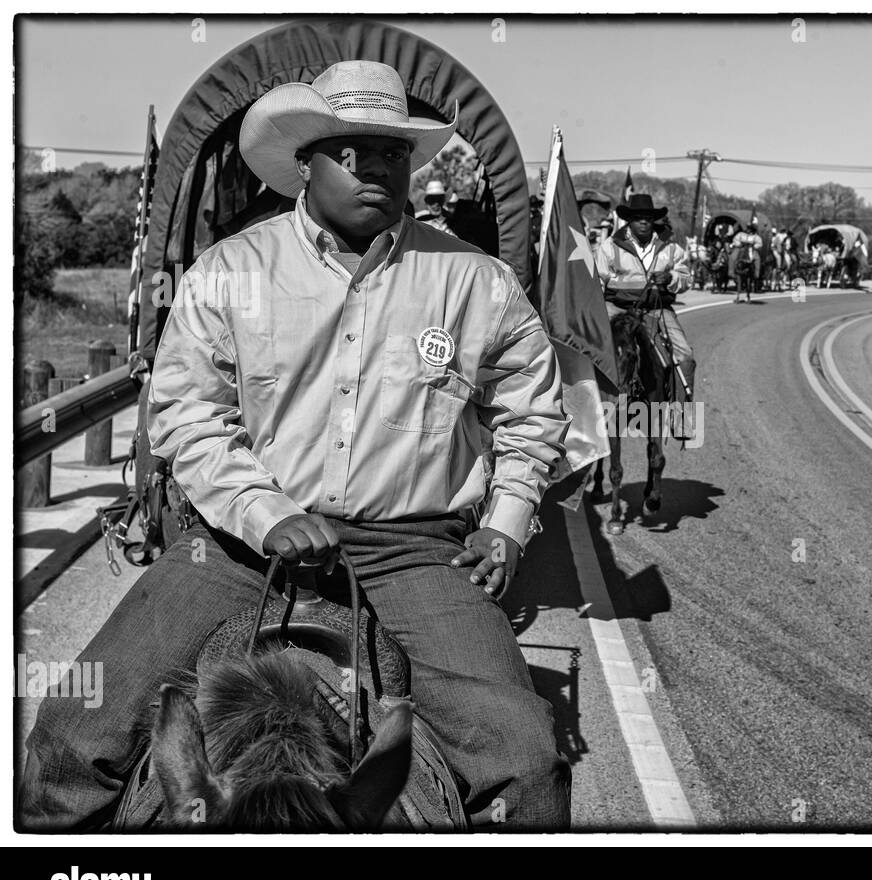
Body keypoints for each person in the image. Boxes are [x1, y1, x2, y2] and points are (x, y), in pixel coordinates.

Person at [20, 60, 572, 831]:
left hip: (413, 548)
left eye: (392, 152)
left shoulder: (473, 283)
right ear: (304, 164)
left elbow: (532, 414)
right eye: (349, 152)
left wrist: (505, 523)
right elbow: (186, 412)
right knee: (72, 737)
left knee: (526, 759)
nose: (374, 166)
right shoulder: (230, 272)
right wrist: (265, 510)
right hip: (238, 548)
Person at [595, 192, 695, 402]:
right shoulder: (609, 247)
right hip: (616, 308)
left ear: (653, 221)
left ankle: (682, 418)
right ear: (628, 220)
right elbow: (597, 283)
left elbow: (686, 279)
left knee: (685, 357)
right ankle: (590, 407)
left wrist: (670, 277)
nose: (643, 222)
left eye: (647, 218)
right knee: (592, 349)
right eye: (637, 218)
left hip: (657, 309)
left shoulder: (670, 248)